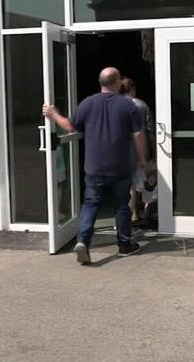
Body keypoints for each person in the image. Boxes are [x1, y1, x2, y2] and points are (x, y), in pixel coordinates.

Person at [42, 67, 147, 265]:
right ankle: (125, 245)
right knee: (121, 206)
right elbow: (138, 134)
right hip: (120, 166)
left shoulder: (88, 103)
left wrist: (53, 114)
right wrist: (142, 158)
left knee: (90, 204)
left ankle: (83, 241)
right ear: (117, 83)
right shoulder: (128, 105)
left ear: (101, 83)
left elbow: (70, 126)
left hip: (94, 167)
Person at [119, 77, 154, 222]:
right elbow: (149, 129)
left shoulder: (115, 105)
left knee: (128, 183)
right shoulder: (141, 105)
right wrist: (153, 149)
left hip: (120, 149)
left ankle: (132, 214)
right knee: (144, 179)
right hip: (139, 147)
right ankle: (145, 209)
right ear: (133, 89)